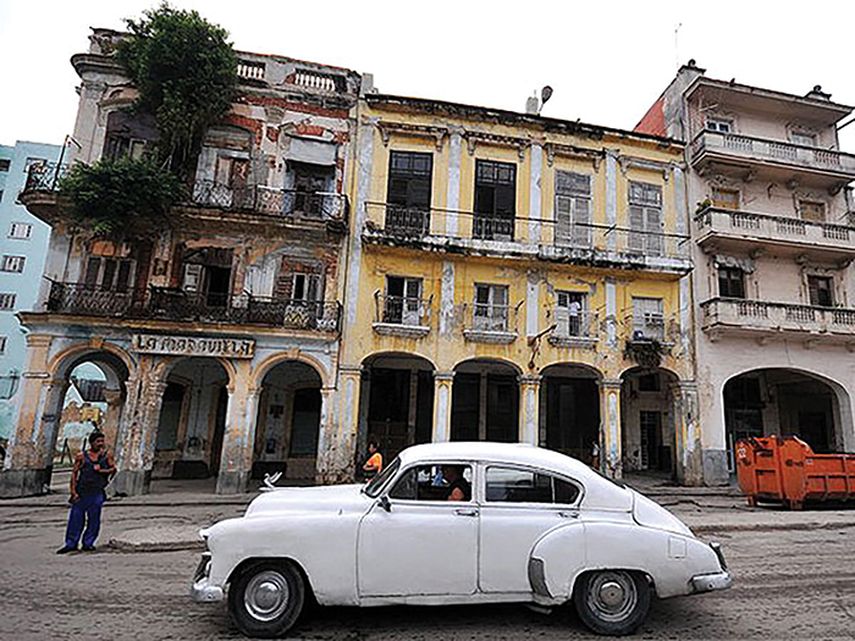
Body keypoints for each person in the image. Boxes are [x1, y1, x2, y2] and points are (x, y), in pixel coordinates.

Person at [56, 430, 116, 554]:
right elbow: (74, 474)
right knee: (76, 519)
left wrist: (102, 472)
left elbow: (113, 469)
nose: (100, 444)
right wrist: (73, 491)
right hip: (82, 491)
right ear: (91, 443)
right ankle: (71, 543)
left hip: (97, 492)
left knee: (94, 519)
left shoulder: (106, 456)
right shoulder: (82, 456)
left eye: (102, 441)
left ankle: (88, 543)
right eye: (97, 441)